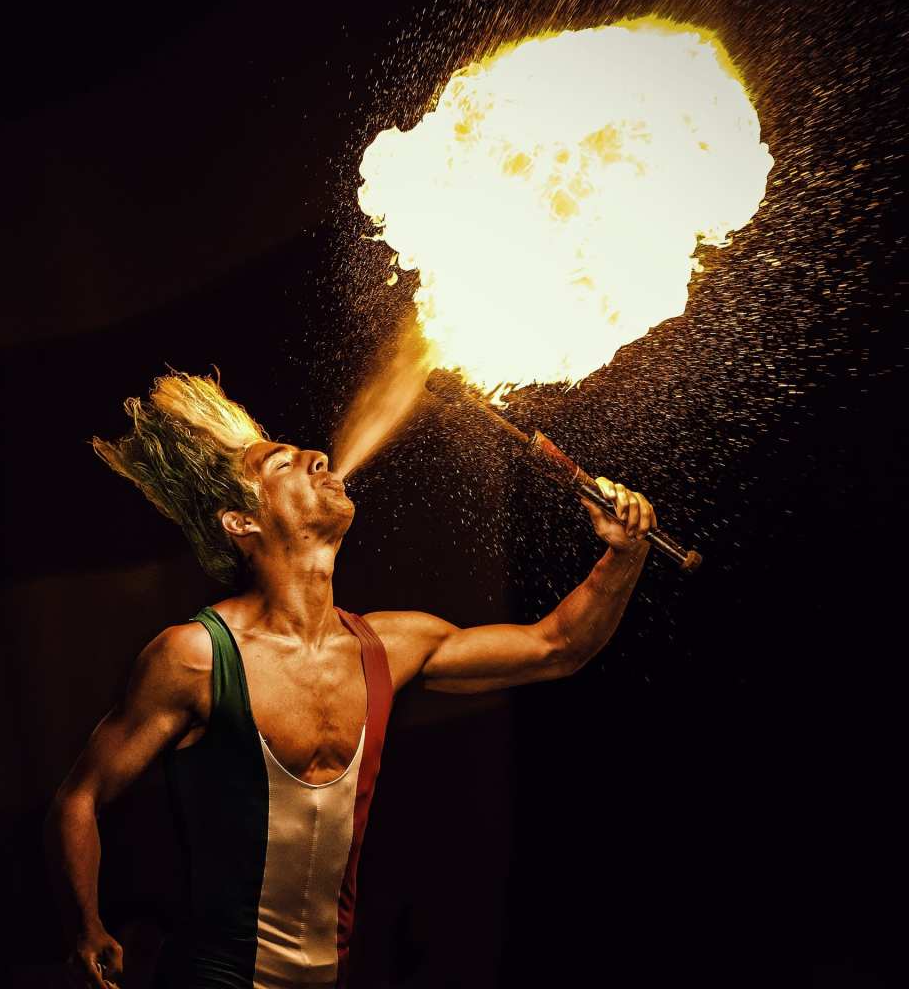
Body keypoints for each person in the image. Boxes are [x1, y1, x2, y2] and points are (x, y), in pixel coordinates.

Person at [45, 370, 657, 989]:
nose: (319, 457)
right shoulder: (195, 657)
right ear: (241, 523)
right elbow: (80, 797)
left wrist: (623, 554)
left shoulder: (390, 646)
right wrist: (86, 926)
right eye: (284, 462)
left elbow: (557, 648)